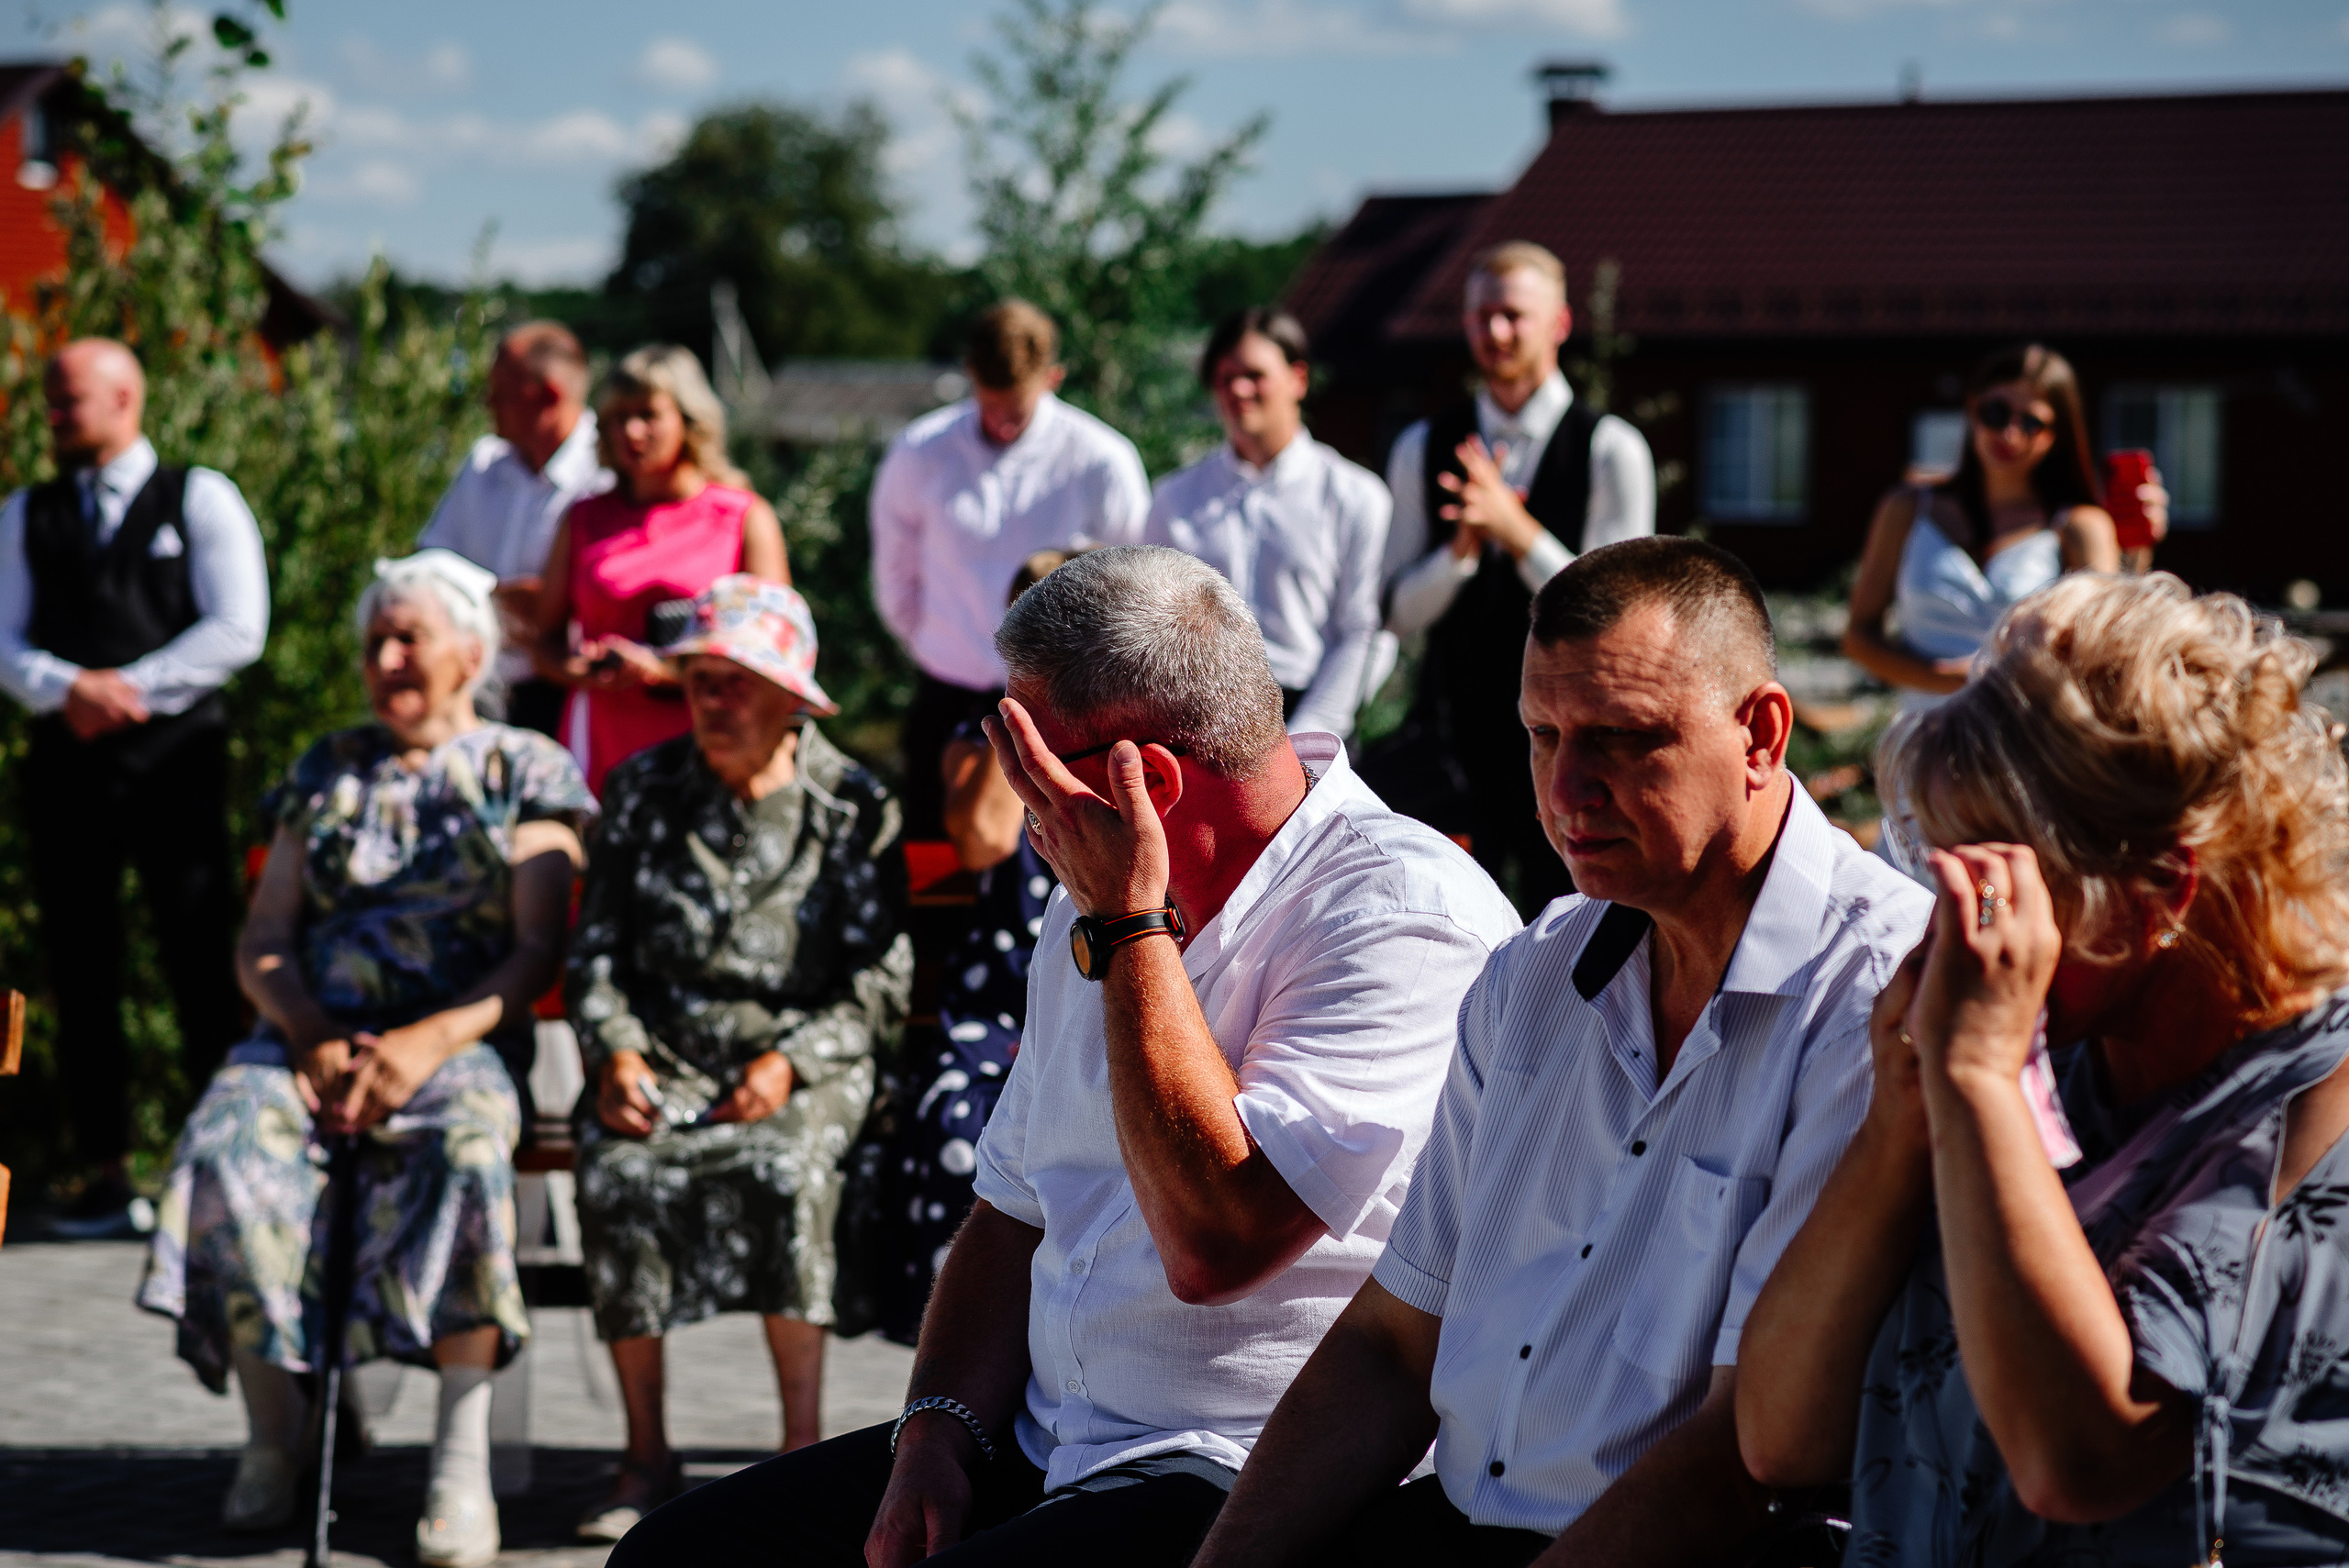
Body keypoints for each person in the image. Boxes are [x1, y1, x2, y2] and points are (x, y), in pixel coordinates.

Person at [609, 546, 1520, 1566]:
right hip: (1053, 1436)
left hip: (1246, 1466)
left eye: (1025, 756)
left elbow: (1217, 1240)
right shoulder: (1090, 885)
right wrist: (936, 1432)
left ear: (1150, 783)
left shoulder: (1399, 912)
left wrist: (1133, 928)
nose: (1011, 794)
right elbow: (1012, 1206)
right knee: (670, 1558)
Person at [1193, 538, 1934, 1568]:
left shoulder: (1875, 992)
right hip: (1459, 1520)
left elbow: (1749, 1453)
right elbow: (1391, 1341)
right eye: (1542, 735)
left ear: (1761, 732)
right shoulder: (1533, 972)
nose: (1567, 787)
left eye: (1624, 740)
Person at [1737, 574, 2349, 1568]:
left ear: (2156, 886)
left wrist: (1977, 1078)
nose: (1963, 917)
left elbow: (2081, 1458)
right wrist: (1903, 1116)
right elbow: (1779, 1432)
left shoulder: (2318, 1095)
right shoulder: (2041, 1058)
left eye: (1997, 871)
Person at [136, 550, 594, 1566]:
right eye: (373, 641)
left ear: (469, 653)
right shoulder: (325, 766)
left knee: (469, 1147)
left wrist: (421, 1043)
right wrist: (305, 1031)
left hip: (458, 1036)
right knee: (224, 1143)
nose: (385, 657)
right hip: (311, 1033)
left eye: (408, 638)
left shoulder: (528, 768)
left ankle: (459, 1458)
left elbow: (533, 947)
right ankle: (274, 1436)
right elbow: (263, 937)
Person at [566, 574, 914, 1540]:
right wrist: (617, 1050)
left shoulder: (849, 803)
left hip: (798, 1064)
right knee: (618, 1170)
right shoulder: (641, 790)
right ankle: (644, 1454)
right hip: (668, 1056)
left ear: (791, 694)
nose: (712, 700)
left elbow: (880, 980)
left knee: (785, 1166)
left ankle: (799, 1452)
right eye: (699, 679)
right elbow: (595, 952)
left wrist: (792, 1064)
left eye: (736, 680)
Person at [0, 338, 265, 1238]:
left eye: (70, 399)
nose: (56, 416)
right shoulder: (26, 512)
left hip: (177, 765)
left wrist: (132, 688)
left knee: (201, 953)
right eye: (51, 401)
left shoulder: (200, 495)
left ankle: (224, 1159)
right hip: (67, 766)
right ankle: (106, 1169)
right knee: (82, 962)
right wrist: (65, 688)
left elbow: (238, 625)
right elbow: (3, 636)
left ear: (124, 396)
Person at [1378, 241, 1655, 913]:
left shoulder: (1611, 449)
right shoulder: (1422, 446)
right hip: (1453, 738)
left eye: (1512, 315)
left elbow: (1620, 618)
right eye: (1480, 317)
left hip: (1571, 745)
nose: (1494, 333)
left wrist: (1518, 532)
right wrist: (1461, 553)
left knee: (1566, 920)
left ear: (1558, 324)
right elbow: (1395, 611)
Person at [875, 549, 1073, 1344]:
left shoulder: (1136, 736)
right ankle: (955, 1374)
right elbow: (985, 835)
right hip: (1000, 1008)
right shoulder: (981, 733)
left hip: (1097, 1001)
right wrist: (1031, 711)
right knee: (963, 1131)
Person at [869, 299, 1150, 838]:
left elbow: (1129, 594)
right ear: (970, 375)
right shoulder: (920, 452)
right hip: (946, 690)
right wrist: (938, 645)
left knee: (1052, 866)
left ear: (1053, 377)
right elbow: (895, 575)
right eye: (989, 403)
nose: (1000, 422)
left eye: (1015, 410)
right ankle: (935, 924)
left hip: (1061, 705)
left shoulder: (1101, 461)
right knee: (934, 870)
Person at [531, 344, 788, 795]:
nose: (632, 431)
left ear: (689, 421)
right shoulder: (584, 518)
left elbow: (774, 651)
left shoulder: (743, 517)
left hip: (711, 738)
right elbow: (546, 639)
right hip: (604, 737)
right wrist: (585, 669)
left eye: (649, 414)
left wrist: (666, 671)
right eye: (617, 417)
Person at [1145, 308, 1389, 739]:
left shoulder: (1356, 496)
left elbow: (1365, 631)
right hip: (1197, 720)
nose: (1238, 389)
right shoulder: (1174, 498)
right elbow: (1152, 623)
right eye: (1224, 378)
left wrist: (1310, 735)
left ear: (1299, 378)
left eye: (1255, 375)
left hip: (1308, 711)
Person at [417, 320, 613, 738]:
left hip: (569, 697)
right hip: (477, 690)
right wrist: (494, 599)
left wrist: (552, 605)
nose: (489, 403)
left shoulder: (607, 474)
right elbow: (428, 567)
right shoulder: (483, 464)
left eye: (502, 392)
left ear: (548, 395)